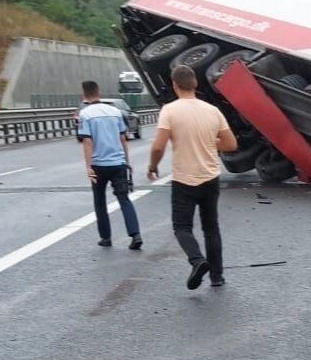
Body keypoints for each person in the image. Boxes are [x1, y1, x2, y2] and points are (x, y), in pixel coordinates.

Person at [148, 65, 238, 289]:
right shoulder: (212, 111)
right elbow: (231, 144)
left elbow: (158, 147)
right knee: (211, 228)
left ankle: (197, 260)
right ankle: (217, 276)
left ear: (174, 85)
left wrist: (152, 166)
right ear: (195, 84)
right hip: (210, 177)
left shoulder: (169, 110)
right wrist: (210, 142)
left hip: (184, 179)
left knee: (181, 227)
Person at [78, 81, 142, 250]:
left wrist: (88, 166)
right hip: (118, 163)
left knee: (99, 201)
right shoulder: (115, 111)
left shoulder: (85, 114)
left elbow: (87, 141)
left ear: (84, 96)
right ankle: (135, 234)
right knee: (124, 199)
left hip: (98, 165)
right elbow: (123, 139)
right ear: (99, 92)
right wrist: (127, 162)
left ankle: (106, 237)